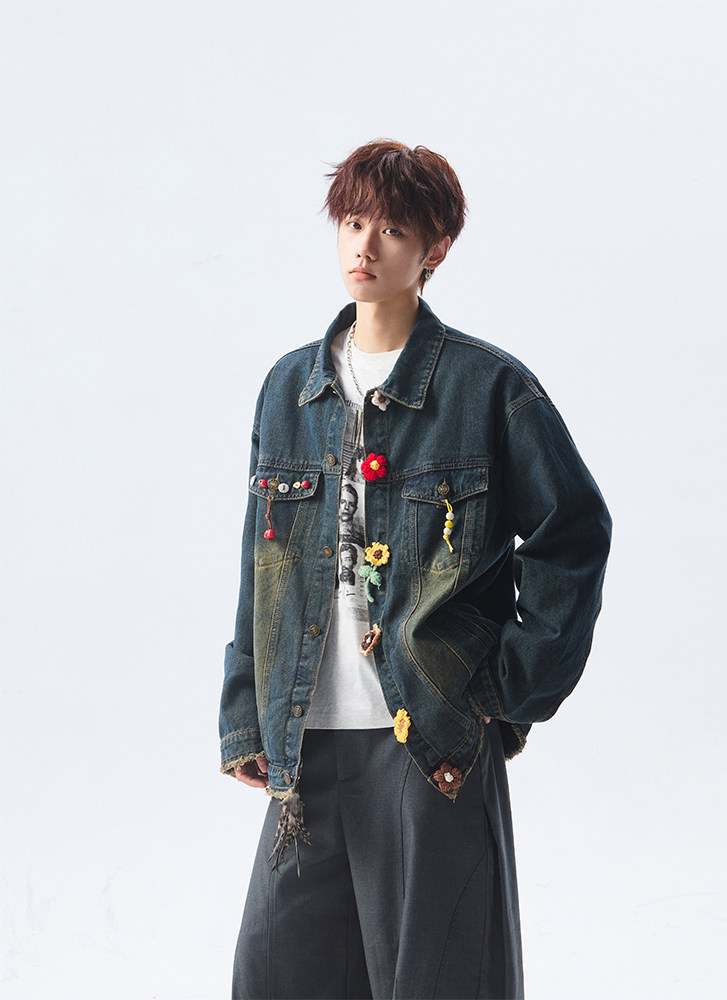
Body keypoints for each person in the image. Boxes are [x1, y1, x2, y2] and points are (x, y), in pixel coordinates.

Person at [219, 139, 612, 1000]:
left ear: (436, 249)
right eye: (353, 223)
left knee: (439, 979)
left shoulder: (489, 387)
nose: (365, 246)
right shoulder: (288, 389)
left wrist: (510, 685)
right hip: (306, 738)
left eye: (393, 230)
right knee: (277, 974)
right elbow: (262, 558)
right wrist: (246, 715)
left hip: (429, 740)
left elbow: (574, 533)